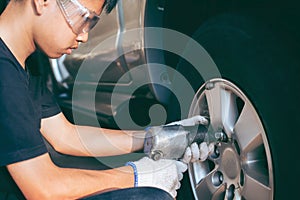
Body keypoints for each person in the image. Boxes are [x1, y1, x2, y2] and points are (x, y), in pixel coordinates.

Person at [0, 0, 207, 199]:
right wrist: (136, 176)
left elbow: (64, 135)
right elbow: (44, 189)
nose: (84, 37)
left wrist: (156, 138)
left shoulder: (19, 64)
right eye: (85, 18)